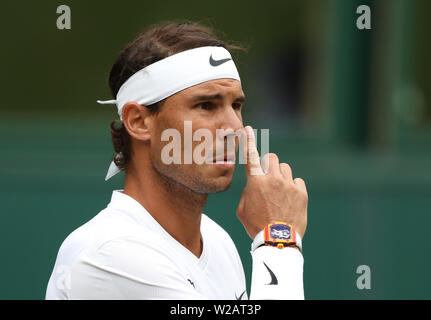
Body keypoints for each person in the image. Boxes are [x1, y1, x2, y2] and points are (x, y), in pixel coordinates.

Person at [46, 22, 308, 300]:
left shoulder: (216, 240)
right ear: (138, 121)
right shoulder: (110, 254)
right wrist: (279, 239)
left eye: (236, 106)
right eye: (206, 105)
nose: (234, 128)